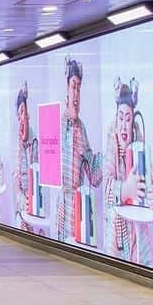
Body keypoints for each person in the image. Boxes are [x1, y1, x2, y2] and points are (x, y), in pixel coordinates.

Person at [104, 77, 153, 266]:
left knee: (144, 263)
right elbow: (106, 185)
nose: (124, 125)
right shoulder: (112, 139)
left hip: (137, 224)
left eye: (128, 118)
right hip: (117, 226)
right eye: (120, 118)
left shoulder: (138, 136)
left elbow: (151, 174)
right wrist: (125, 189)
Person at [57, 58, 102, 245]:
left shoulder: (81, 128)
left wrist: (106, 160)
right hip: (63, 205)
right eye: (73, 86)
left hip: (80, 207)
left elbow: (93, 175)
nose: (76, 93)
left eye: (79, 88)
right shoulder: (57, 125)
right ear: (67, 88)